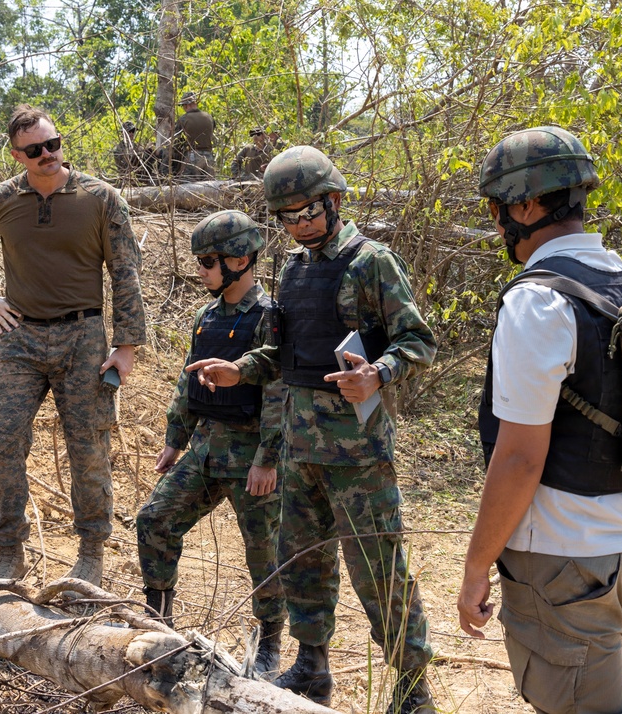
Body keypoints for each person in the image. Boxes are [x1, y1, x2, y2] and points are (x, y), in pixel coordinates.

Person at [187, 146, 437, 712]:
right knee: (301, 561)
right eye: (288, 216)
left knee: (379, 569)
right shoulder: (294, 270)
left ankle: (411, 686)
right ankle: (310, 668)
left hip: (357, 451)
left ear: (335, 200)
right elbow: (285, 351)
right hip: (300, 447)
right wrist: (242, 368)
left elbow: (417, 339)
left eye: (308, 212)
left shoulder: (371, 261)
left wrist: (380, 373)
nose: (300, 225)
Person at [458, 126, 622, 714]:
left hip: (562, 556)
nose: (498, 223)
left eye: (499, 207)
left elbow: (520, 458)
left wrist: (475, 570)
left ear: (525, 205)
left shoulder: (537, 299)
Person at [0, 104, 147, 582]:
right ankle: (9, 548)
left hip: (84, 337)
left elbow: (125, 273)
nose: (48, 155)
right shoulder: (0, 200)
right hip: (20, 337)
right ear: (18, 156)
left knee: (88, 446)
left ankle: (91, 552)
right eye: (35, 150)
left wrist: (127, 344)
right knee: (4, 442)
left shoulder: (101, 198)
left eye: (53, 144)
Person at [135, 210, 287, 679]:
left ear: (240, 260)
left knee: (264, 550)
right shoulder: (207, 315)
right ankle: (160, 623)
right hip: (205, 448)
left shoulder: (269, 318)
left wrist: (267, 460)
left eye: (207, 261)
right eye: (199, 261)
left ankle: (270, 644)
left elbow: (281, 395)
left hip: (251, 457)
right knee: (154, 520)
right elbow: (188, 382)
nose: (200, 270)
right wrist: (173, 440)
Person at [173, 91, 216, 180]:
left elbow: (177, 140)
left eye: (183, 106)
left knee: (188, 186)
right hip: (209, 157)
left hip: (192, 156)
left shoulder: (183, 119)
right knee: (209, 186)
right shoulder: (209, 117)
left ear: (186, 105)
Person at [113, 121, 141, 186]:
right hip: (126, 179)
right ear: (123, 133)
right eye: (129, 132)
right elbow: (123, 166)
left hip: (139, 178)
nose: (131, 134)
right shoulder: (119, 149)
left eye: (133, 131)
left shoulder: (136, 146)